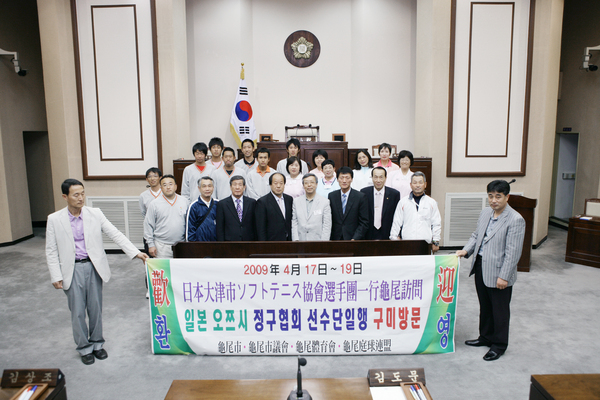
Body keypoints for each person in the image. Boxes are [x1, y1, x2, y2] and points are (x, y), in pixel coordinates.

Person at [46, 179, 148, 365]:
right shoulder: (54, 219)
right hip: (72, 269)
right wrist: (56, 275)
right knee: (77, 311)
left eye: (83, 193)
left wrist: (135, 252)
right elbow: (51, 249)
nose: (81, 198)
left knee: (95, 308)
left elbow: (115, 233)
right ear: (65, 197)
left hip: (94, 266)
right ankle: (84, 348)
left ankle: (97, 344)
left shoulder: (95, 213)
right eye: (76, 195)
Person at [456, 180, 525, 362]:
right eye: (491, 196)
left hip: (500, 272)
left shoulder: (515, 219)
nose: (494, 200)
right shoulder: (486, 212)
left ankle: (499, 345)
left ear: (507, 197)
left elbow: (513, 252)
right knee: (485, 306)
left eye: (498, 196)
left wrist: (504, 276)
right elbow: (476, 235)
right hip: (481, 266)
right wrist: (466, 250)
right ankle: (485, 337)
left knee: (500, 311)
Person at [389, 172, 441, 252]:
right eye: (415, 182)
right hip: (407, 243)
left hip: (426, 243)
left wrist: (436, 241)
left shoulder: (431, 202)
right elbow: (396, 222)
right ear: (410, 185)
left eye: (420, 182)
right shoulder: (403, 202)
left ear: (425, 184)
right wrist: (394, 238)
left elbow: (436, 223)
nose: (417, 185)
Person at [144, 175, 189, 258]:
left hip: (181, 244)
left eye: (170, 184)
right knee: (163, 266)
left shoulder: (185, 201)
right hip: (161, 246)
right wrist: (151, 244)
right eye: (164, 185)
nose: (168, 187)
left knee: (180, 266)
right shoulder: (154, 204)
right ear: (161, 188)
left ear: (175, 186)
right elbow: (148, 225)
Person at [328, 167, 369, 240]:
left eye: (347, 178)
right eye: (341, 178)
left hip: (353, 238)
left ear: (351, 179)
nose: (344, 181)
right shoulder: (332, 196)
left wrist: (355, 238)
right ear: (337, 179)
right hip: (336, 238)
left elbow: (364, 222)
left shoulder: (360, 197)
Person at [360, 167, 400, 240]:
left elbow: (397, 216)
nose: (378, 180)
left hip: (387, 233)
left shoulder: (394, 194)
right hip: (368, 234)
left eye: (381, 177)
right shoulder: (364, 193)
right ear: (372, 178)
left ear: (385, 178)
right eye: (375, 177)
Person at [292, 173, 332, 241]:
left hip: (318, 241)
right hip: (301, 241)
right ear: (303, 185)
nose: (309, 185)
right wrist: (296, 240)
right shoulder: (296, 201)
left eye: (312, 182)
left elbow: (327, 225)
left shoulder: (325, 202)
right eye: (306, 183)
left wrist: (324, 242)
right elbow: (294, 222)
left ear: (316, 184)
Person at [216, 176, 257, 241]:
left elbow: (255, 224)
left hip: (248, 241)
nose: (237, 187)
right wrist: (221, 244)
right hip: (229, 242)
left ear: (244, 187)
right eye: (234, 185)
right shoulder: (222, 204)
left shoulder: (252, 202)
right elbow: (219, 227)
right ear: (230, 187)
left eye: (240, 185)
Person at [255, 173, 293, 241]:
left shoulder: (289, 199)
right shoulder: (262, 202)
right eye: (275, 183)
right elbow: (261, 228)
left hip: (288, 240)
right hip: (271, 242)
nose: (278, 186)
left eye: (281, 183)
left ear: (284, 184)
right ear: (270, 185)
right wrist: (263, 244)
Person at [186, 176, 218, 242]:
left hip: (216, 244)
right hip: (199, 245)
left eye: (209, 186)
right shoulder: (194, 206)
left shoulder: (218, 204)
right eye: (204, 186)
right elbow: (190, 230)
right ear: (199, 188)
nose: (207, 189)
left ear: (213, 188)